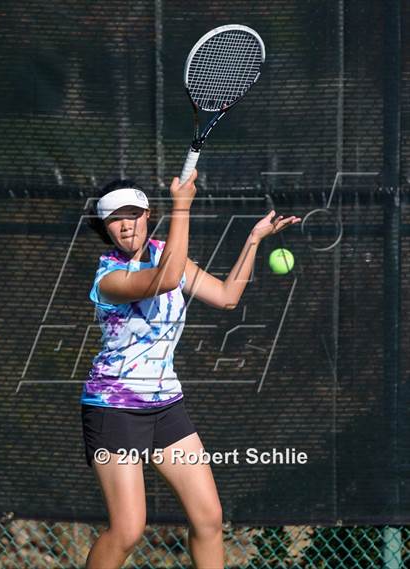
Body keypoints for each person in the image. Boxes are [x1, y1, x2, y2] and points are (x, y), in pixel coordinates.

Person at [81, 169, 301, 569]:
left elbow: (227, 296)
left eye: (133, 212)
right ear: (105, 228)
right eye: (115, 217)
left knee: (208, 518)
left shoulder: (171, 255)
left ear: (148, 215)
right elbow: (164, 279)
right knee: (128, 530)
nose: (126, 223)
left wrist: (252, 241)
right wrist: (183, 204)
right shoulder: (109, 277)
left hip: (167, 408)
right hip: (114, 411)